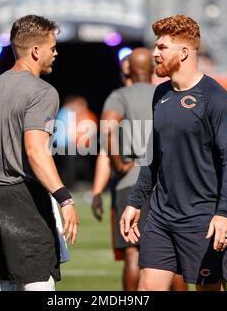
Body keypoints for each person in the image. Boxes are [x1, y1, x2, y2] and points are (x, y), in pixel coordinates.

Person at [120, 15, 227, 291]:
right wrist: (134, 202)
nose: (154, 53)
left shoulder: (216, 98)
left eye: (162, 48)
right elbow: (153, 155)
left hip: (202, 220)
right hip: (161, 219)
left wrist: (224, 213)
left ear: (184, 52)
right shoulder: (160, 94)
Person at [0, 15, 79, 291]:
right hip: (23, 201)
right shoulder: (43, 92)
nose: (56, 53)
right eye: (52, 47)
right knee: (39, 285)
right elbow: (35, 150)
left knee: (3, 287)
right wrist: (64, 199)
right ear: (36, 51)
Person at [94, 48, 187, 291]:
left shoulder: (120, 95)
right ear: (150, 67)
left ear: (130, 69)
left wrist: (118, 164)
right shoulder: (169, 93)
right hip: (169, 183)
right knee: (174, 254)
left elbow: (107, 128)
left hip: (132, 180)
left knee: (133, 252)